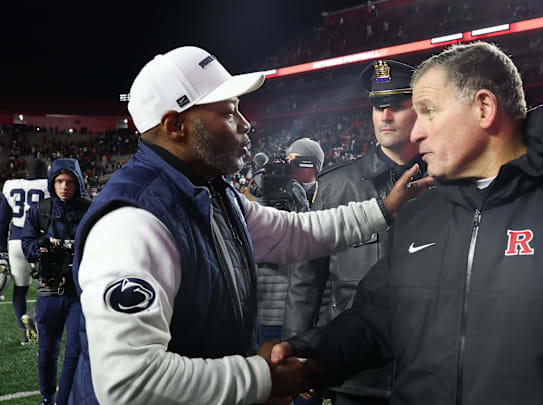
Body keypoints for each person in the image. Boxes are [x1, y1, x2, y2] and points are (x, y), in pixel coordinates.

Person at [273, 41, 543, 404]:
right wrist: (312, 352)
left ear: (484, 108)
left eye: (427, 111)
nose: (414, 132)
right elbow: (376, 320)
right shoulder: (421, 212)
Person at [69, 46, 431, 405]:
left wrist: (383, 209)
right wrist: (262, 378)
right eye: (229, 113)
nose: (245, 123)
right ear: (174, 126)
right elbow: (128, 383)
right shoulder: (134, 223)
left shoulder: (211, 192)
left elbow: (294, 233)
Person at [282, 59, 423, 405]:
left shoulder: (447, 180)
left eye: (397, 105)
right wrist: (297, 350)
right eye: (378, 106)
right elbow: (305, 280)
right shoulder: (334, 186)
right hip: (352, 374)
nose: (385, 116)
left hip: (427, 369)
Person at [22, 158, 90, 405]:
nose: (64, 186)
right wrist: (40, 247)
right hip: (48, 291)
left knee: (74, 352)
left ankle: (62, 402)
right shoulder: (39, 210)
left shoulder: (90, 210)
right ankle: (46, 399)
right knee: (46, 353)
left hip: (79, 294)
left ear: (78, 183)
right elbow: (27, 245)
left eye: (70, 181)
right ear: (52, 182)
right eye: (59, 181)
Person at [255, 137, 325, 344]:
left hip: (315, 313)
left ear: (313, 166)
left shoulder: (329, 195)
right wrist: (260, 203)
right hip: (269, 311)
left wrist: (302, 207)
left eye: (296, 162)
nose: (289, 168)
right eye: (287, 161)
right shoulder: (266, 193)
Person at [0, 158, 49, 345]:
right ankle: (32, 316)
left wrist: (1, 251)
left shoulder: (11, 186)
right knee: (49, 290)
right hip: (37, 242)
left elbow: (3, 221)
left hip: (15, 243)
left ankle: (25, 335)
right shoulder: (48, 185)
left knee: (20, 291)